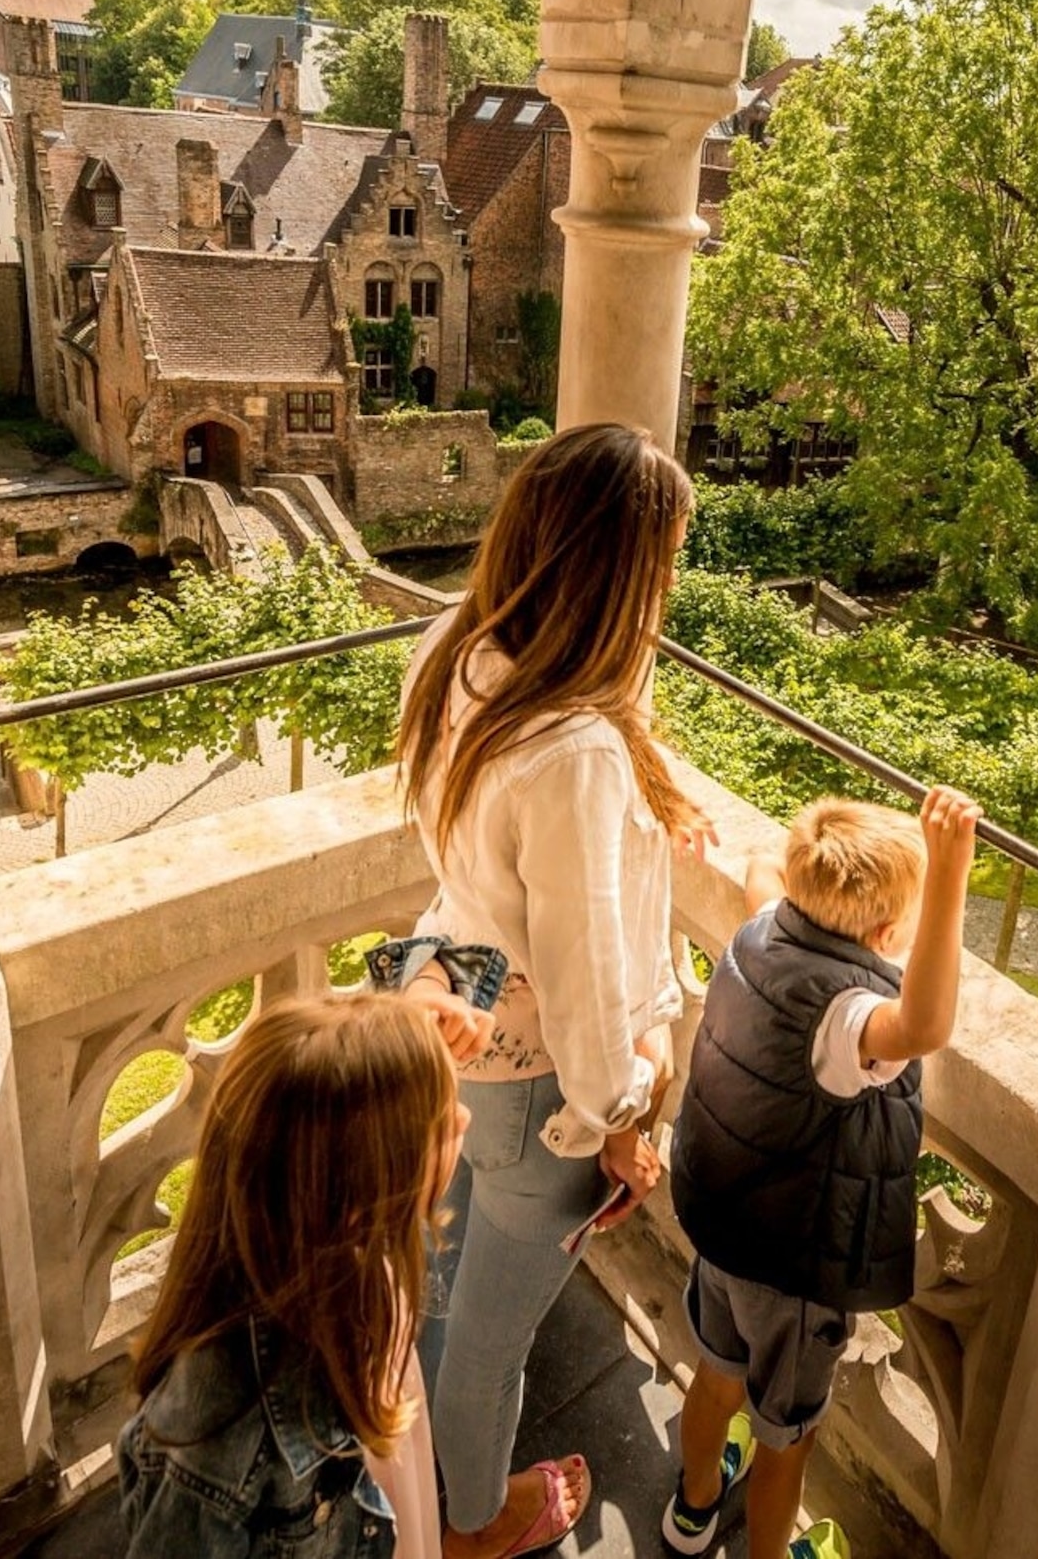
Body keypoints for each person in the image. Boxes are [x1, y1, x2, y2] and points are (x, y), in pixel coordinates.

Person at [391, 421, 706, 1557]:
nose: (669, 589)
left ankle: (428, 1487)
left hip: (453, 1014)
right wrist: (624, 1116)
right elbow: (586, 984)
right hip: (538, 1086)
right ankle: (471, 1524)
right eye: (662, 564)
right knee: (489, 1339)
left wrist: (643, 805)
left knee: (437, 1291)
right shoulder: (573, 750)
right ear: (619, 572)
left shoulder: (459, 645)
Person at [663, 787, 981, 1559]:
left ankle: (692, 1507)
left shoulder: (760, 930)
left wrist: (822, 841)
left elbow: (761, 863)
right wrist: (949, 870)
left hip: (725, 1226)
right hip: (793, 1269)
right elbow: (926, 1021)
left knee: (715, 1372)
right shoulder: (845, 1020)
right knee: (785, 1438)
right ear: (881, 932)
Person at [118, 995, 472, 1559]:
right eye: (440, 1122)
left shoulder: (347, 1251)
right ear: (363, 1193)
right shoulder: (213, 1441)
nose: (464, 1118)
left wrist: (407, 1042)